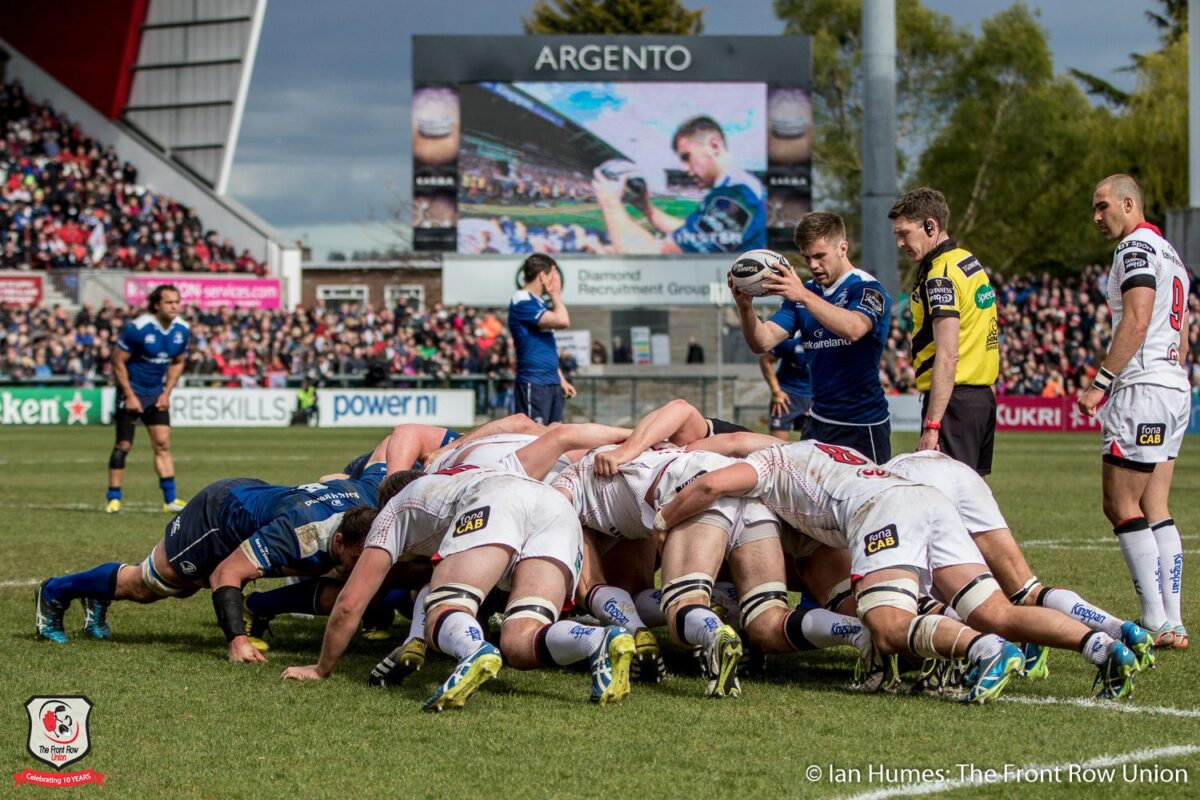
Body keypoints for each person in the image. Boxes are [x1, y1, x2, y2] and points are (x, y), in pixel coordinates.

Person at [655, 439, 1141, 701]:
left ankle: (985, 651)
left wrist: (664, 520)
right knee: (996, 608)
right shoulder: (816, 453)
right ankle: (1102, 647)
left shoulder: (767, 464)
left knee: (887, 627)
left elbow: (712, 487)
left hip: (883, 510)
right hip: (924, 500)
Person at [282, 468, 635, 711]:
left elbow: (350, 603)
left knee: (443, 608)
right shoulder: (455, 476)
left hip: (498, 500)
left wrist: (321, 668)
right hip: (556, 505)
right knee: (520, 639)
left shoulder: (391, 511)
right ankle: (598, 640)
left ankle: (472, 649)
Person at [37, 461, 387, 662]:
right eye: (357, 557)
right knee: (150, 586)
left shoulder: (372, 500)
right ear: (339, 540)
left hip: (257, 501)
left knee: (347, 583)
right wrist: (238, 641)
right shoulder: (297, 531)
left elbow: (385, 452)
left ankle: (97, 594)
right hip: (220, 514)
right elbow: (226, 573)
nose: (364, 563)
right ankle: (55, 592)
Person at [1079, 174, 1190, 649]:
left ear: (1129, 203)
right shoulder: (1173, 256)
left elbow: (1139, 319)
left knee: (1120, 503)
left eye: (1103, 206)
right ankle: (1173, 620)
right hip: (1173, 387)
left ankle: (1154, 621)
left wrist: (1101, 382)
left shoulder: (1135, 250)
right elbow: (1180, 335)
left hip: (1142, 389)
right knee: (1154, 506)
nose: (1097, 217)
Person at [735, 211, 893, 461]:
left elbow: (854, 328)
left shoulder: (866, 288)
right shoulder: (803, 292)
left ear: (843, 247)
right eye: (807, 257)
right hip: (817, 422)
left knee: (863, 499)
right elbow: (762, 341)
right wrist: (746, 309)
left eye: (820, 256)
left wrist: (804, 297)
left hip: (862, 425)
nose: (813, 266)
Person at [889, 188, 999, 475]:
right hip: (980, 398)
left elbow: (948, 354)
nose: (900, 243)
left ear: (930, 226)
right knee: (975, 502)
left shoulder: (940, 275)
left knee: (946, 499)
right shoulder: (968, 260)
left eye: (904, 233)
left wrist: (933, 425)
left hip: (954, 403)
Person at [592, 115, 766, 254]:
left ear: (714, 146)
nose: (684, 168)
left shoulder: (737, 197)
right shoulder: (733, 188)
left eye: (686, 157)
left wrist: (610, 203)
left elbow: (653, 255)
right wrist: (646, 208)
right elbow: (687, 234)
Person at [105, 284, 190, 513]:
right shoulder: (139, 328)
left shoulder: (182, 330)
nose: (174, 307)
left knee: (163, 443)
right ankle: (113, 497)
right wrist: (130, 395)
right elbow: (117, 361)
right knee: (124, 445)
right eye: (169, 302)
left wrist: (166, 392)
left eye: (176, 302)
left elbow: (179, 361)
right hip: (131, 392)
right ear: (156, 305)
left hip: (156, 394)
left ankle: (170, 499)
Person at [508, 254, 576, 424]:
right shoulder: (522, 300)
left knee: (554, 438)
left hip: (550, 381)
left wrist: (560, 379)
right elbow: (563, 321)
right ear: (542, 276)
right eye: (553, 274)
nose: (555, 279)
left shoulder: (538, 303)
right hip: (534, 382)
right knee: (534, 440)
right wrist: (556, 295)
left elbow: (546, 345)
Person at [760, 335, 812, 440]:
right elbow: (765, 360)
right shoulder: (791, 342)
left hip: (815, 398)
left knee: (816, 446)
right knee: (777, 444)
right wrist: (776, 391)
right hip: (787, 397)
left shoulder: (832, 345)